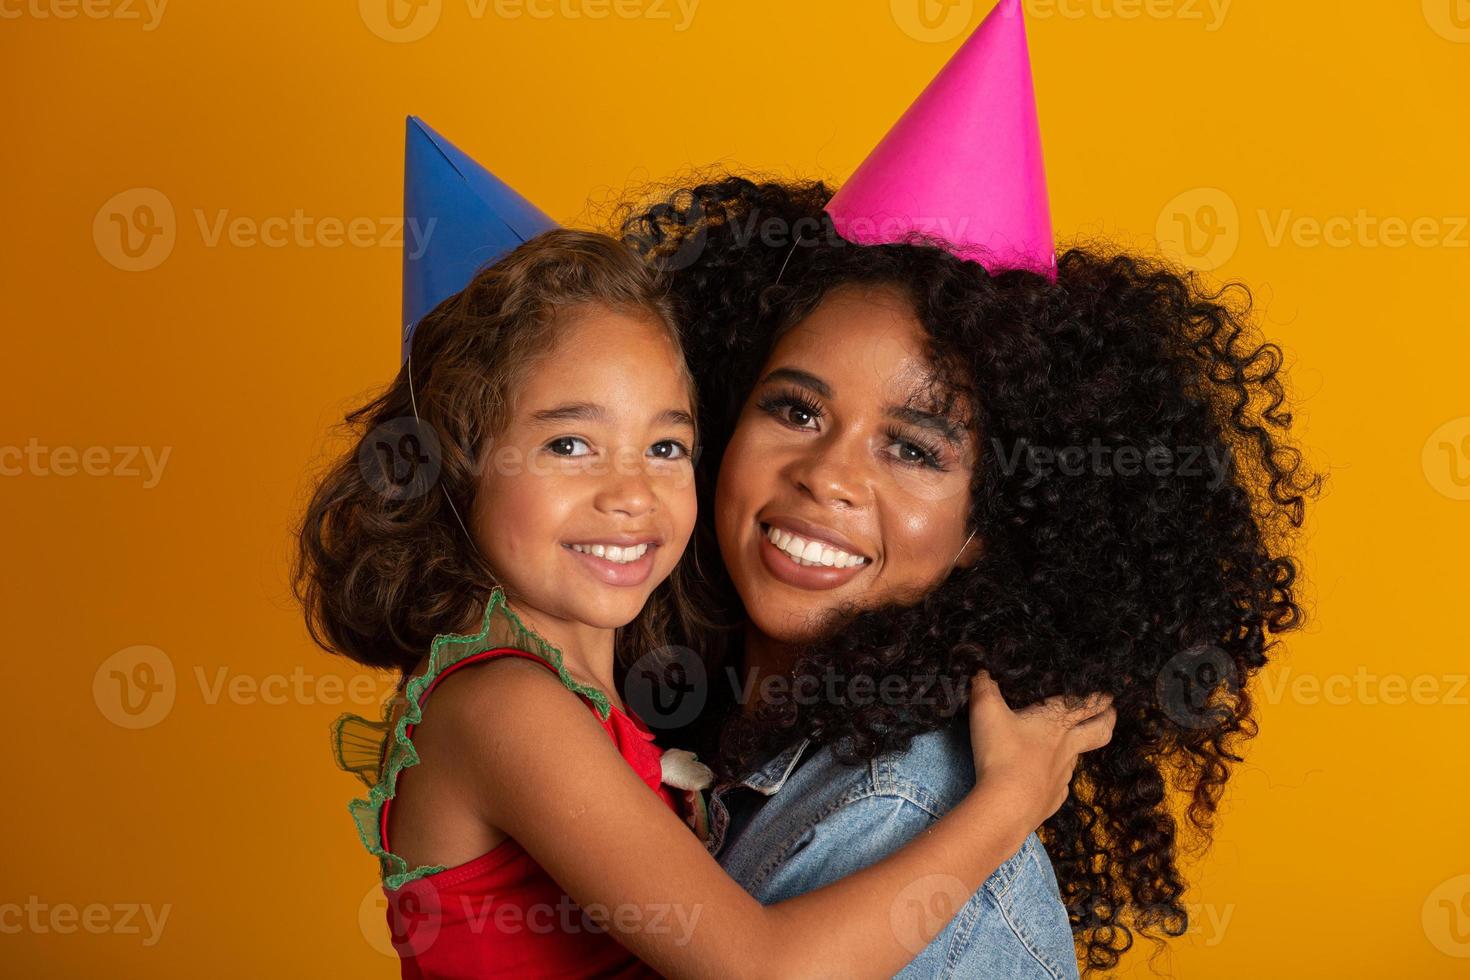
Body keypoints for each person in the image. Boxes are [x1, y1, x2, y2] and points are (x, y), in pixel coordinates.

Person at [296, 227, 1118, 978]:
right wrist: (1009, 802)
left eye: (665, 446)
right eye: (569, 444)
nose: (630, 494)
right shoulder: (507, 704)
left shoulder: (603, 709)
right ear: (460, 467)